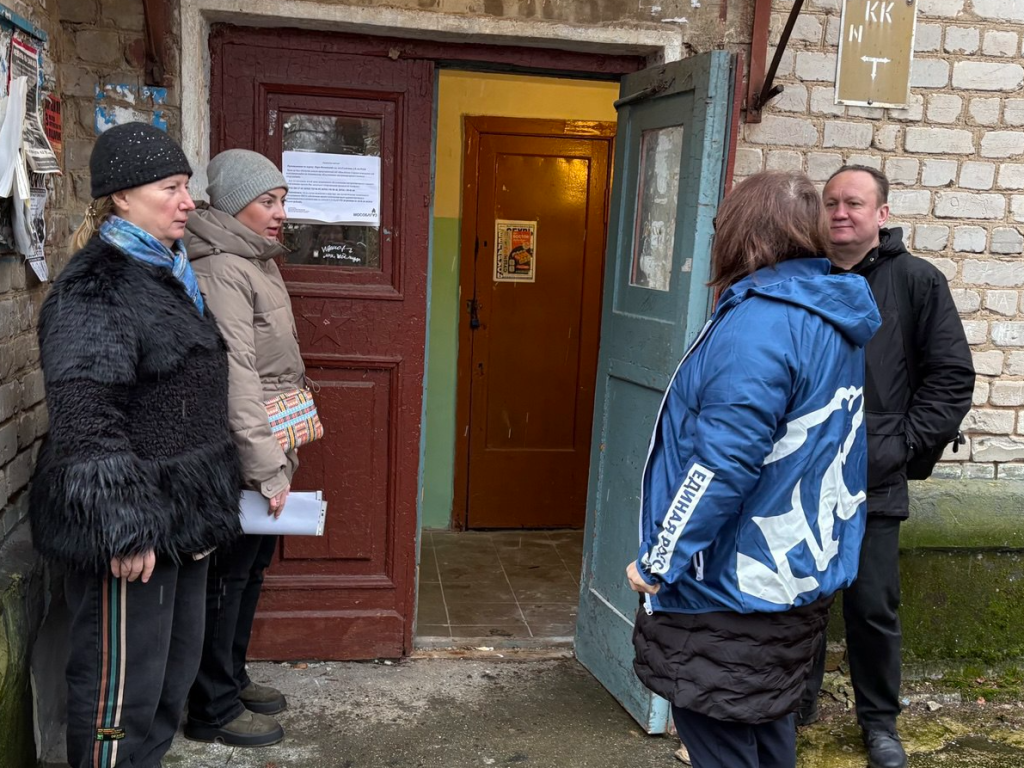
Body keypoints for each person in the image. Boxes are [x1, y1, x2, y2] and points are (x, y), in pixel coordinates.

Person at [627, 170, 881, 768]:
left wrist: (660, 556)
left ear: (744, 235)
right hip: (792, 572)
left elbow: (721, 463)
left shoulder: (760, 326)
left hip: (731, 582)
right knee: (767, 729)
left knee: (719, 734)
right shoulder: (826, 315)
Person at [29, 122, 243, 768]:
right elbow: (87, 415)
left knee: (168, 687)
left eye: (188, 187)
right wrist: (125, 528)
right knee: (118, 696)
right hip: (134, 532)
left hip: (182, 520)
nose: (187, 201)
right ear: (121, 197)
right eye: (170, 187)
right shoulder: (96, 288)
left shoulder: (169, 271)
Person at [799, 166, 975, 768]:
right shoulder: (800, 277)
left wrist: (897, 448)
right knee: (797, 600)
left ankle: (879, 724)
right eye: (830, 203)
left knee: (871, 606)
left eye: (854, 203)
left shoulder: (917, 282)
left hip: (872, 480)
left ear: (881, 214)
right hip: (798, 477)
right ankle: (794, 706)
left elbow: (950, 381)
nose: (839, 213)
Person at [182, 149, 307, 747]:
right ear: (234, 205)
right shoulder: (221, 268)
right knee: (227, 576)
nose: (280, 213)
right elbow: (236, 376)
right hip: (241, 449)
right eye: (268, 201)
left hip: (270, 436)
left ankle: (232, 676)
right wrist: (266, 468)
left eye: (282, 201)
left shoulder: (256, 258)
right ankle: (212, 706)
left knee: (251, 569)